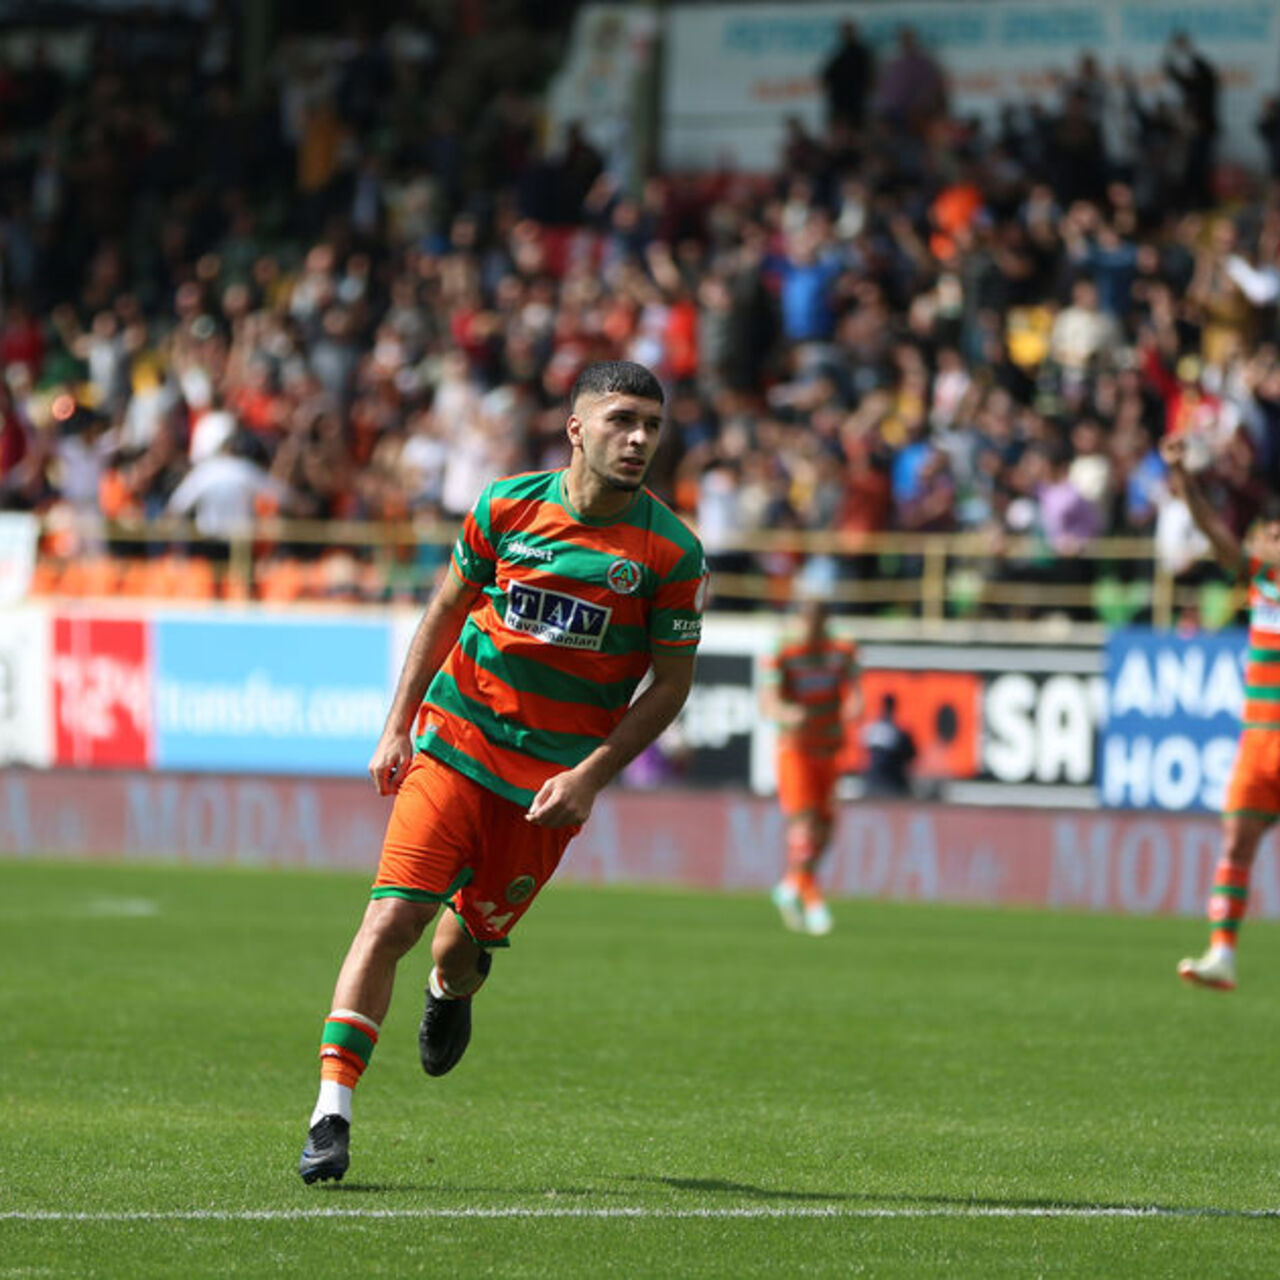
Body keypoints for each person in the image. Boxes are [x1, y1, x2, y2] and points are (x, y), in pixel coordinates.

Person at [298, 361, 707, 1183]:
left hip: (548, 789)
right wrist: (398, 724)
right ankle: (330, 1114)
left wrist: (592, 774)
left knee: (459, 946)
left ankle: (453, 992)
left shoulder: (671, 552)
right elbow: (447, 606)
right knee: (394, 919)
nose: (638, 439)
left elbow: (671, 684)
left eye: (652, 427)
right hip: (457, 743)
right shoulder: (507, 505)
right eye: (622, 420)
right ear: (577, 428)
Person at [1161, 433, 1280, 992]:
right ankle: (1222, 953)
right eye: (1269, 534)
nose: (1272, 542)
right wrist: (1184, 479)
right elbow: (1213, 531)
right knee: (1236, 842)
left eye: (1278, 535)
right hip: (1258, 741)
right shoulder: (1261, 582)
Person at [761, 598, 861, 936]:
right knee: (803, 826)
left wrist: (855, 704)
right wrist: (786, 714)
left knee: (826, 830)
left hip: (830, 747)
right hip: (796, 749)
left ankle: (790, 886)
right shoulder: (782, 649)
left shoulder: (843, 648)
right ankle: (814, 903)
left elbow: (855, 689)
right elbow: (769, 700)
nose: (810, 631)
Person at [862, 693, 916, 798]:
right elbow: (912, 755)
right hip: (892, 786)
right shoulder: (898, 732)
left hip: (872, 784)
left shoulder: (871, 730)